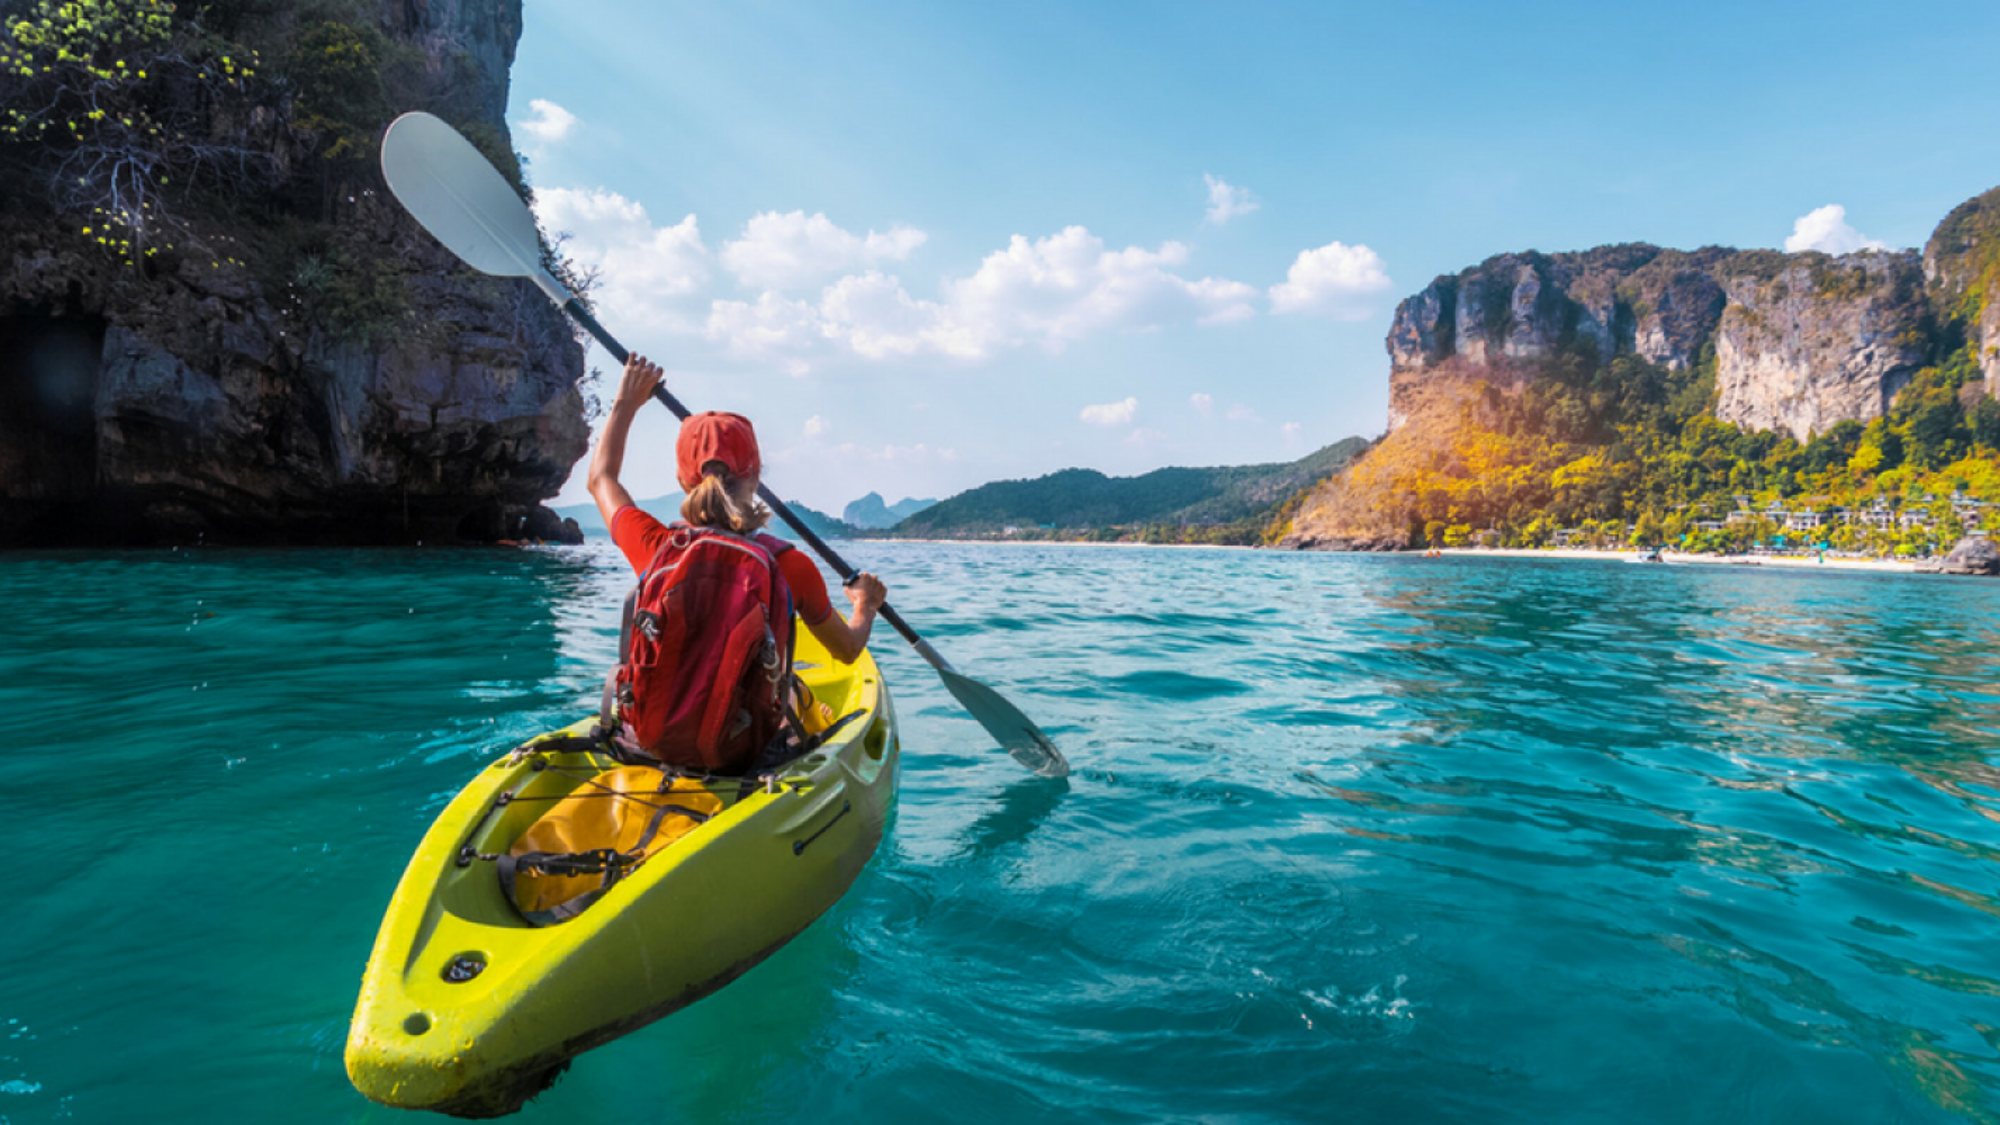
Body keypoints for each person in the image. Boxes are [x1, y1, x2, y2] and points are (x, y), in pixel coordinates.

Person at [586, 354, 888, 669]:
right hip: (746, 721)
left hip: (656, 718)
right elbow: (847, 649)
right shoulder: (791, 567)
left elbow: (600, 478)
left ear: (681, 480)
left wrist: (626, 401)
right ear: (756, 477)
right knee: (794, 691)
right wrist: (864, 605)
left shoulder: (654, 546)